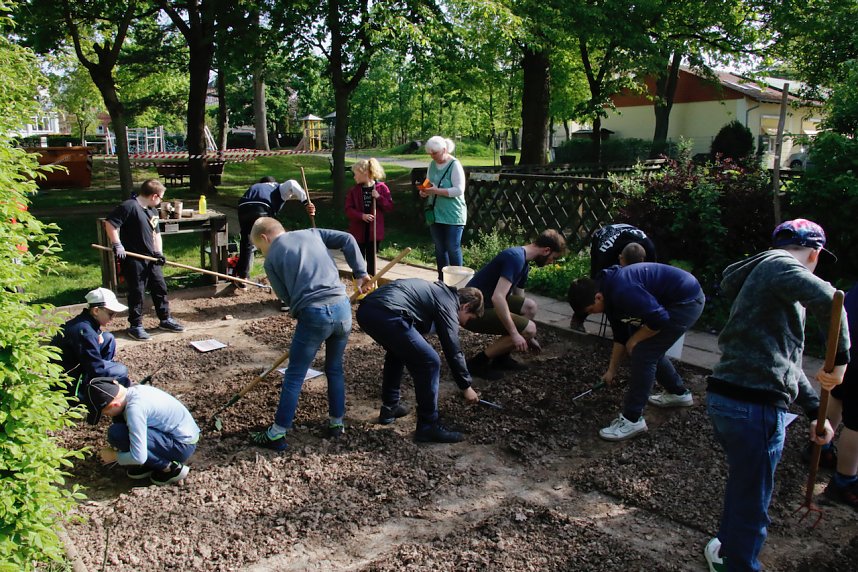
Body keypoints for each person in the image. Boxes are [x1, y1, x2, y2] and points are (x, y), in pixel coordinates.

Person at [703, 219, 849, 571]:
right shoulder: (782, 265)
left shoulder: (767, 280)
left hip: (727, 400)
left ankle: (726, 549)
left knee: (745, 482)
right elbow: (833, 301)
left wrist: (815, 409)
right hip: (754, 406)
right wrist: (841, 362)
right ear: (814, 254)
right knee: (754, 499)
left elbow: (782, 359)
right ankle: (740, 564)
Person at [247, 217, 370, 451]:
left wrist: (301, 310)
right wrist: (360, 272)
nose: (264, 253)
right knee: (334, 368)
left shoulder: (272, 259)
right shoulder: (313, 233)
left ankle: (277, 433)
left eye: (261, 249)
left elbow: (285, 297)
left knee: (295, 374)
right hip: (343, 309)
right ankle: (337, 423)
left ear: (265, 237)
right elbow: (348, 238)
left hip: (313, 314)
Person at [567, 262, 705, 441]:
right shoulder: (609, 297)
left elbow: (659, 319)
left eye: (590, 310)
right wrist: (611, 371)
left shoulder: (623, 291)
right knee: (647, 348)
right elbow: (621, 337)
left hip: (686, 302)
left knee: (644, 353)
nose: (593, 314)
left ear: (598, 297)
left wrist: (635, 340)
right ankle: (678, 393)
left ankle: (632, 419)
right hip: (667, 302)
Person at [356, 278, 483, 443]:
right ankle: (428, 426)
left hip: (367, 310)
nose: (464, 323)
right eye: (469, 318)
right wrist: (466, 386)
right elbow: (452, 348)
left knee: (398, 353)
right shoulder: (449, 304)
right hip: (388, 313)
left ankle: (390, 407)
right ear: (465, 307)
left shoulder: (439, 293)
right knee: (430, 362)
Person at [464, 230, 567, 380]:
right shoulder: (515, 258)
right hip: (473, 311)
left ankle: (501, 359)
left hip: (486, 304)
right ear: (546, 250)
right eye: (553, 258)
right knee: (529, 329)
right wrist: (516, 333)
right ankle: (477, 363)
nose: (552, 261)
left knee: (530, 307)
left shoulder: (524, 261)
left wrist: (528, 337)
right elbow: (498, 298)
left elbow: (520, 298)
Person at [104, 179, 184, 341]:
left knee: (160, 287)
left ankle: (165, 319)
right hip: (134, 258)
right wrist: (117, 244)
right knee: (137, 292)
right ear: (154, 196)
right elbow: (110, 224)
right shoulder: (129, 206)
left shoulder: (152, 211)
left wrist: (159, 253)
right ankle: (136, 326)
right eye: (161, 197)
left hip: (151, 258)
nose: (161, 201)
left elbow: (156, 234)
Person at [90, 378, 200, 486]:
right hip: (182, 435)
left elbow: (139, 457)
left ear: (115, 404)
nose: (106, 416)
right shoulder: (135, 391)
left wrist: (114, 456)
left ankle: (169, 468)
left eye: (105, 413)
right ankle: (151, 463)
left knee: (117, 434)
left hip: (181, 446)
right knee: (119, 421)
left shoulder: (135, 409)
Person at [51, 288, 133, 399]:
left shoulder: (83, 322)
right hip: (67, 381)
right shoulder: (85, 333)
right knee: (120, 370)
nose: (113, 318)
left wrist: (98, 335)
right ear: (95, 311)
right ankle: (92, 390)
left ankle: (100, 385)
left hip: (76, 364)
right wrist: (120, 382)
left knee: (108, 338)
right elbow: (96, 368)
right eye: (111, 314)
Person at [235, 176, 316, 287]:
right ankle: (280, 276)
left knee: (246, 241)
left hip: (243, 209)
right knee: (274, 242)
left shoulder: (255, 187)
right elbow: (291, 183)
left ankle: (243, 277)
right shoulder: (276, 187)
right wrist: (306, 203)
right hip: (262, 208)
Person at [822, 282, 858, 510]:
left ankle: (820, 449)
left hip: (843, 341)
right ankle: (845, 481)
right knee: (857, 423)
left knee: (837, 392)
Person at [421, 136, 467, 280]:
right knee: (440, 249)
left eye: (435, 153)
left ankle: (458, 281)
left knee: (452, 248)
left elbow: (459, 190)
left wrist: (436, 191)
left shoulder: (455, 165)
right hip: (436, 213)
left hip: (453, 214)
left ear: (444, 150)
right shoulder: (432, 164)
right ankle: (442, 281)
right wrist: (423, 190)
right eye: (430, 153)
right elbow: (428, 182)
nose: (432, 156)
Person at [345, 159, 394, 276]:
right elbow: (348, 209)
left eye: (356, 174)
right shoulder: (354, 191)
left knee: (372, 260)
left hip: (374, 232)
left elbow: (389, 206)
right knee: (358, 260)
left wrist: (379, 197)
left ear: (365, 173)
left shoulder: (381, 188)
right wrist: (361, 216)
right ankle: (359, 284)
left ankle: (372, 284)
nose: (354, 177)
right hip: (358, 232)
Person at [589, 223, 657, 278]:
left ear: (643, 260)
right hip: (603, 233)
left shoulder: (649, 249)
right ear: (620, 257)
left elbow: (652, 277)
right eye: (626, 269)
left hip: (628, 229)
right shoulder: (606, 256)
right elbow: (599, 281)